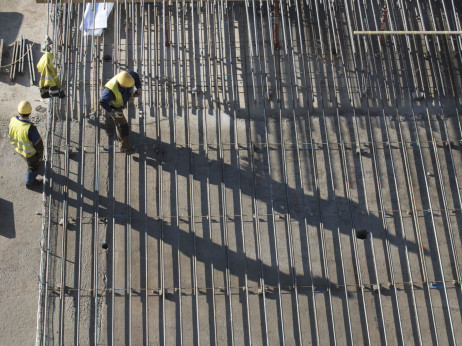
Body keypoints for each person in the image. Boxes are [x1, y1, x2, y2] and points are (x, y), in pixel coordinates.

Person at [100, 70, 142, 154]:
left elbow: (136, 76)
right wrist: (112, 111)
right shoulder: (109, 92)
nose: (129, 87)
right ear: (121, 84)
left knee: (110, 117)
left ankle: (108, 125)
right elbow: (102, 102)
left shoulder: (127, 76)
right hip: (114, 107)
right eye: (127, 86)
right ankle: (125, 147)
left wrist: (139, 87)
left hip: (120, 101)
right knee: (123, 126)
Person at [8, 101, 44, 189]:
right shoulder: (30, 129)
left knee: (29, 162)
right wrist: (39, 156)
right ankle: (29, 183)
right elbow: (39, 146)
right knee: (33, 168)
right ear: (30, 113)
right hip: (30, 154)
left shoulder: (13, 120)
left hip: (19, 150)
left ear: (19, 111)